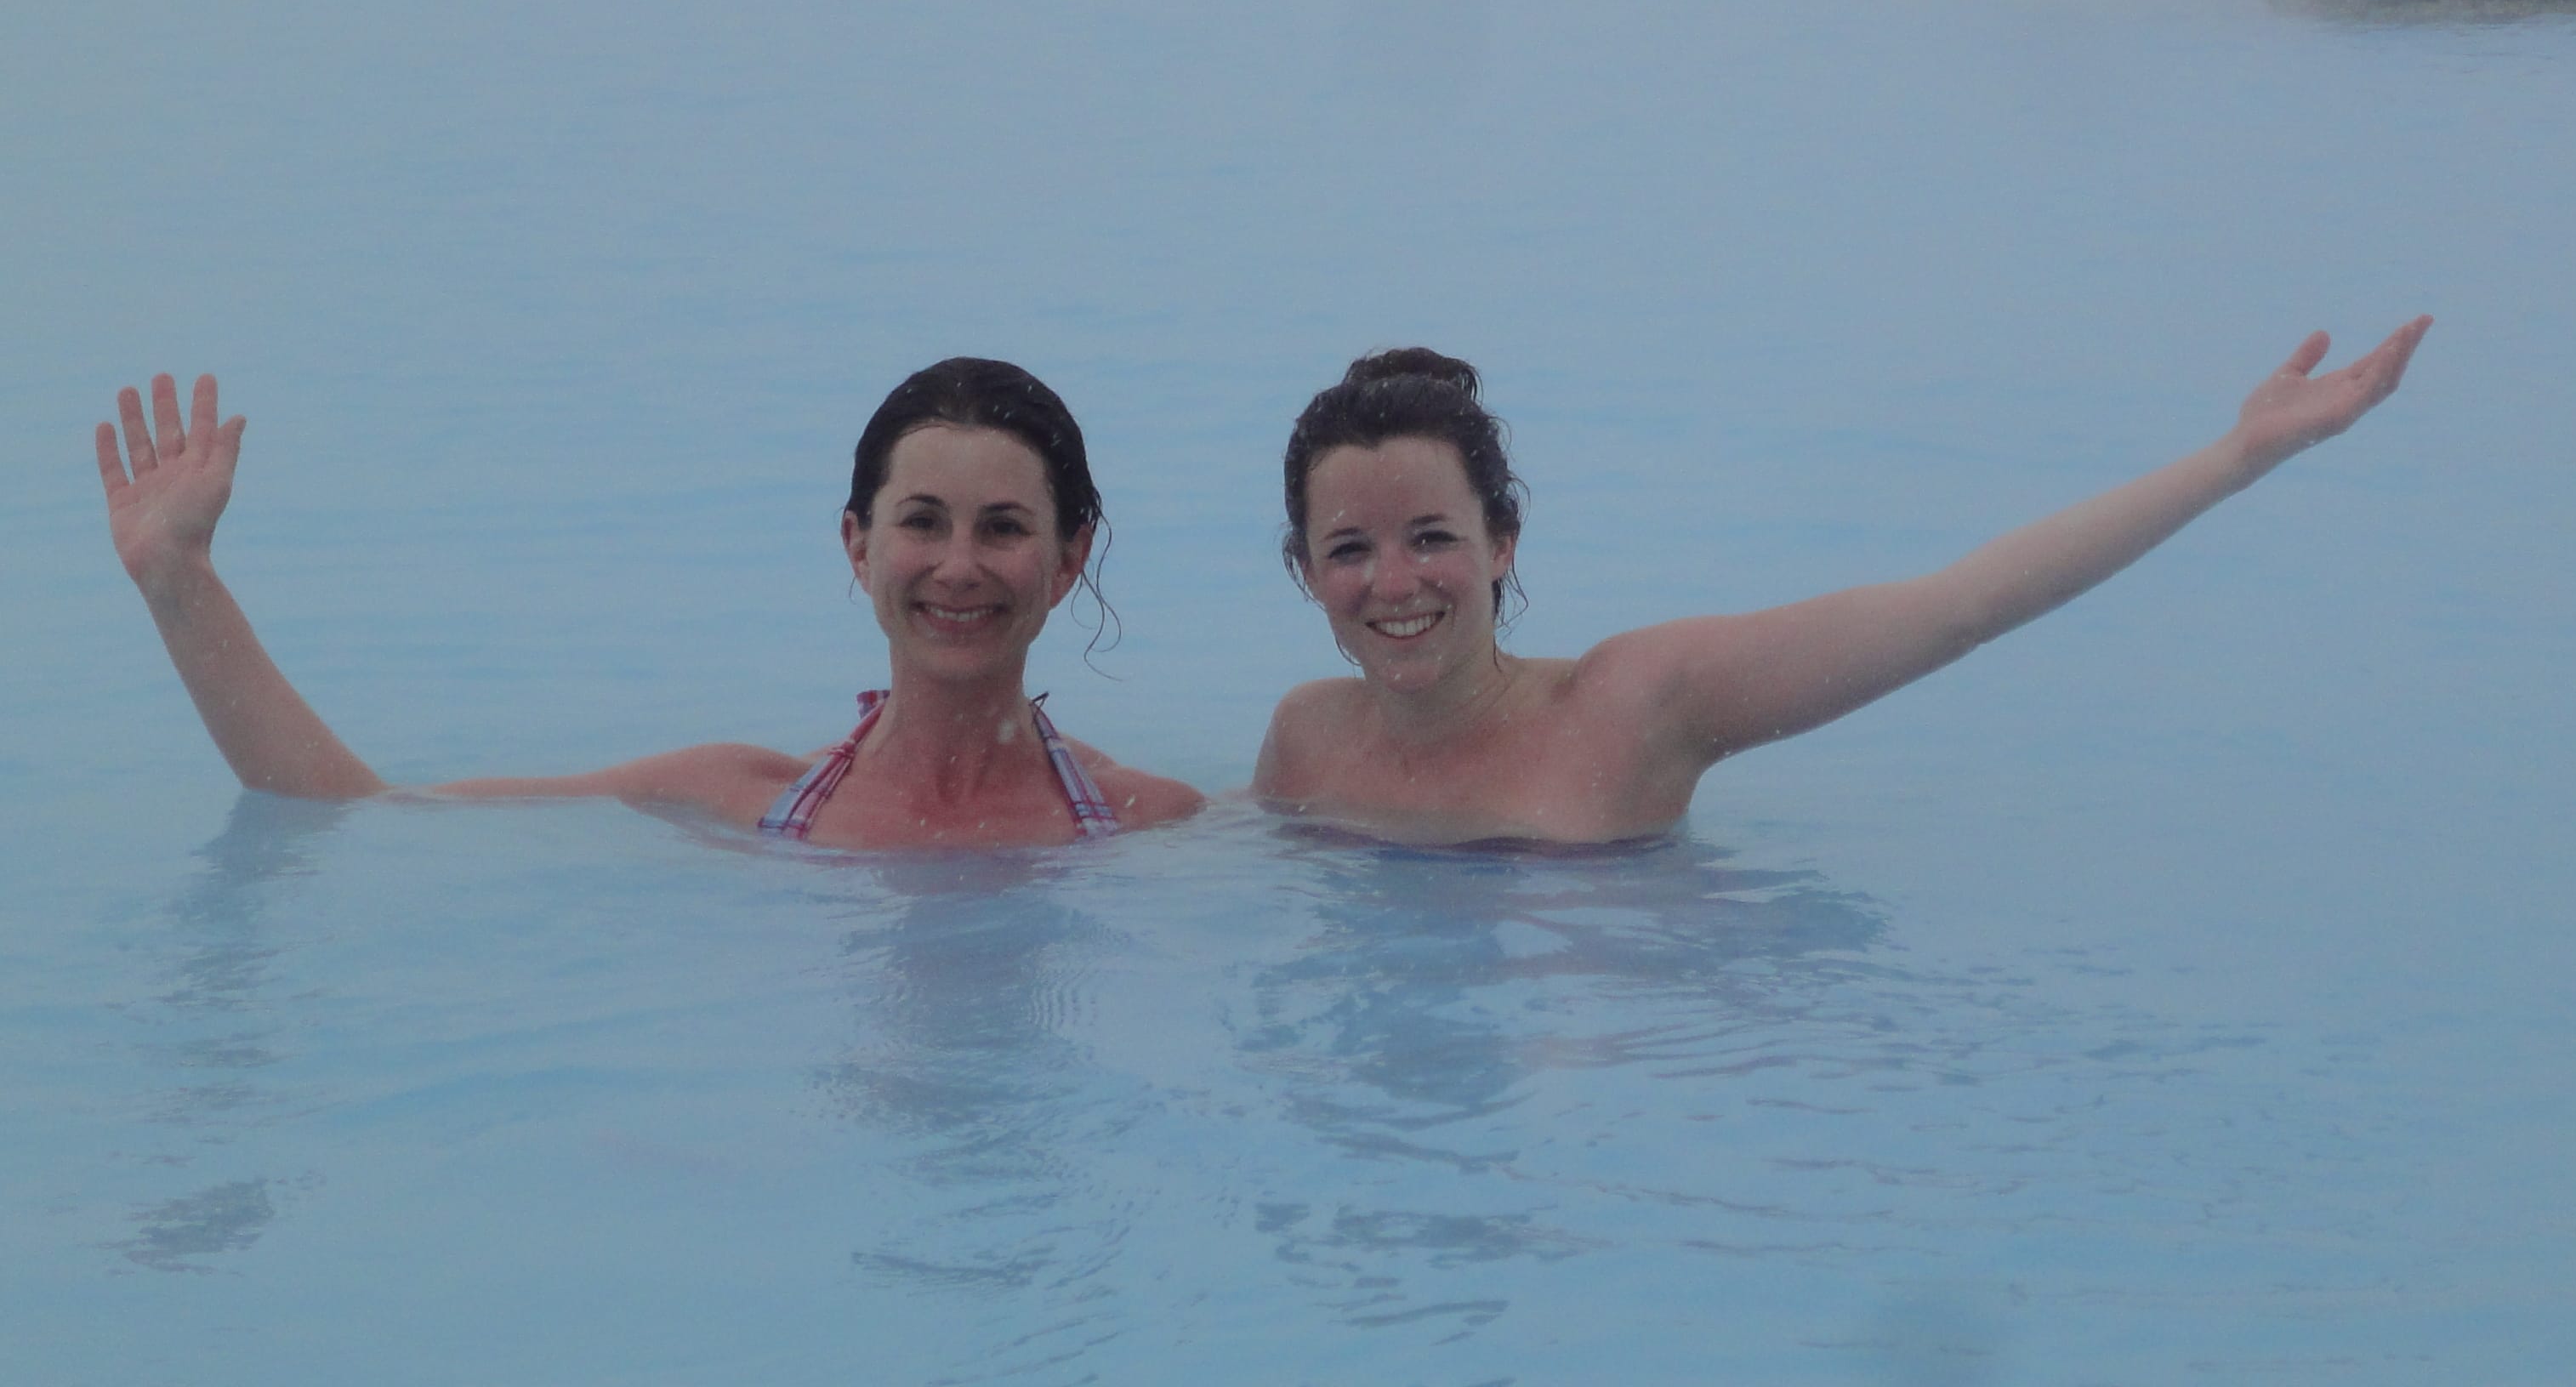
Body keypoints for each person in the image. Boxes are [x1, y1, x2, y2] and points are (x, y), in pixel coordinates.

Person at [1256, 321, 2432, 844]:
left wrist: (2235, 459)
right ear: (1306, 573)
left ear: (1503, 543)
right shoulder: (1307, 743)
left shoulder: (1635, 704)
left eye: (1432, 537)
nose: (1395, 583)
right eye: (1350, 550)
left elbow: (1959, 609)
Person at [98, 360, 1202, 847]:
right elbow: (358, 812)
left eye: (1002, 528)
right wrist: (180, 583)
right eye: (923, 522)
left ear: (1067, 560)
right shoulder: (730, 800)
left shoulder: (1150, 827)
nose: (958, 566)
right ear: (859, 545)